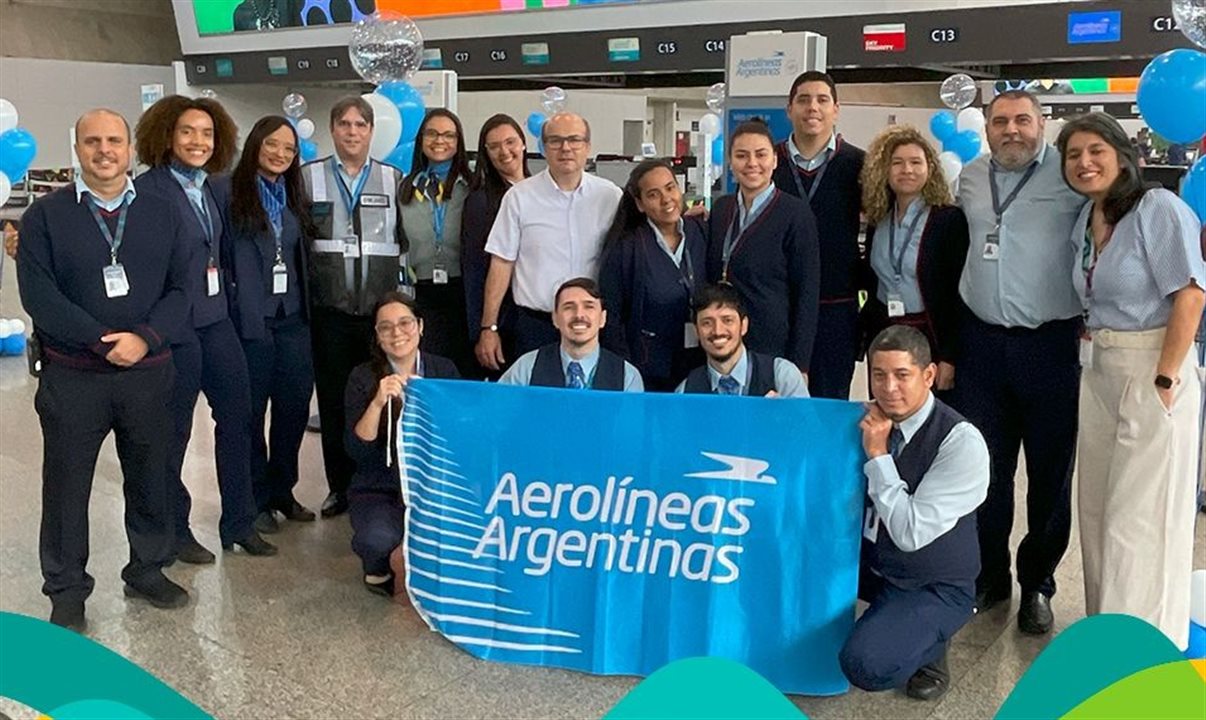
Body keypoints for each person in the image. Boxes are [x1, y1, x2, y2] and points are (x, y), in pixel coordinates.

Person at [17, 109, 193, 630]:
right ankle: (67, 589)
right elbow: (39, 296)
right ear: (78, 149)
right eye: (92, 141)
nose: (104, 150)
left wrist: (145, 338)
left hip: (149, 371)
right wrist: (99, 341)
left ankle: (147, 567)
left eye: (114, 140)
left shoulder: (165, 211)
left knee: (151, 476)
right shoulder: (44, 216)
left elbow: (183, 288)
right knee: (67, 485)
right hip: (74, 376)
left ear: (131, 149)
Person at [1057, 112, 1206, 651]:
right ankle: (1106, 633)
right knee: (1097, 512)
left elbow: (1190, 293)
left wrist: (1165, 378)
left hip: (1152, 368)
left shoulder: (1157, 209)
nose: (1084, 163)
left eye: (1096, 150)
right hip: (1098, 371)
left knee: (1138, 519)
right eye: (1073, 155)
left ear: (1123, 156)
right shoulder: (1087, 218)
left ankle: (1144, 644)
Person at [953, 89, 1087, 632]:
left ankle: (1039, 584)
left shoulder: (1070, 176)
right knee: (986, 472)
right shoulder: (969, 177)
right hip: (981, 344)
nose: (1013, 130)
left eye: (1023, 120)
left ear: (1043, 124)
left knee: (1051, 476)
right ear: (986, 127)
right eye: (1001, 121)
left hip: (1050, 344)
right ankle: (991, 576)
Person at [134, 96, 274, 561]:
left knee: (238, 417)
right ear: (166, 136)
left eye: (207, 133)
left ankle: (239, 521)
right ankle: (174, 529)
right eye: (188, 132)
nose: (198, 142)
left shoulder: (211, 188)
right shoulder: (149, 190)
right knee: (173, 434)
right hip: (174, 329)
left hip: (216, 322)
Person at [839, 326, 989, 701]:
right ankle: (893, 620)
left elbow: (910, 534)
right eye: (878, 375)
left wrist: (879, 456)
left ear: (929, 376)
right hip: (873, 565)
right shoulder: (868, 418)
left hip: (932, 583)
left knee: (865, 663)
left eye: (902, 375)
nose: (889, 388)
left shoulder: (961, 442)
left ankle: (932, 648)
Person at [304, 96, 408, 518]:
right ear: (332, 129)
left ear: (371, 131)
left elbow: (404, 244)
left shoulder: (394, 179)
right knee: (332, 401)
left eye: (359, 125)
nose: (352, 132)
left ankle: (380, 481)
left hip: (377, 317)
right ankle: (338, 488)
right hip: (328, 311)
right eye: (344, 124)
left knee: (380, 397)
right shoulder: (307, 179)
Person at [212, 115, 316, 534]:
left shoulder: (292, 195)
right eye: (272, 144)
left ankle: (281, 491)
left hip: (292, 320)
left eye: (289, 149)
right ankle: (254, 499)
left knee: (292, 412)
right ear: (255, 143)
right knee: (250, 415)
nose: (280, 154)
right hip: (249, 322)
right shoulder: (225, 191)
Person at [477, 112, 622, 368]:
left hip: (590, 326)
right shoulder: (519, 197)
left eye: (574, 140)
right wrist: (489, 326)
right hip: (535, 326)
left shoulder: (610, 196)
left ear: (587, 146)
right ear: (543, 148)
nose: (565, 148)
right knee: (534, 403)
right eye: (555, 141)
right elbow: (501, 264)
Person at [346, 292, 460, 597]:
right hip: (380, 486)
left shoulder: (444, 371)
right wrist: (378, 402)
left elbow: (460, 435)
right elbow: (357, 450)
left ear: (420, 326)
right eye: (386, 327)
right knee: (376, 538)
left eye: (405, 323)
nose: (397, 333)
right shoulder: (362, 377)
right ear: (377, 336)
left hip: (435, 485)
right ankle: (377, 566)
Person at [773, 71, 866, 399]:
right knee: (776, 408)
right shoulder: (768, 162)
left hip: (835, 307)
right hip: (778, 306)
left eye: (822, 100)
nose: (813, 107)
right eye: (803, 99)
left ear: (836, 110)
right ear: (789, 109)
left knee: (830, 406)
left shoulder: (859, 165)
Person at [860, 125, 969, 395]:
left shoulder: (948, 219)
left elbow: (960, 294)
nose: (906, 170)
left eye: (915, 162)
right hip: (885, 333)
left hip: (930, 334)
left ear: (930, 168)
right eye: (897, 163)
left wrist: (949, 357)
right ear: (885, 170)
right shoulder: (879, 218)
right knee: (888, 408)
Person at [706, 120, 820, 376]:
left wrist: (799, 363)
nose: (752, 163)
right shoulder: (722, 210)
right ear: (730, 162)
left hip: (771, 343)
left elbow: (807, 293)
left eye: (761, 154)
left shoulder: (795, 214)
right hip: (722, 341)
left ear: (775, 160)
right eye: (741, 156)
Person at [599, 159, 708, 391]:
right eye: (653, 195)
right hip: (648, 368)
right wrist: (625, 371)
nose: (666, 199)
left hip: (701, 363)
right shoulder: (625, 248)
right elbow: (613, 317)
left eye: (670, 188)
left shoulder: (701, 232)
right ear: (639, 204)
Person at [398, 108, 474, 376]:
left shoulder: (473, 187)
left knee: (464, 376)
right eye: (432, 133)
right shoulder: (405, 188)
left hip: (464, 294)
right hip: (423, 295)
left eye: (448, 135)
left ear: (458, 142)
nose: (439, 140)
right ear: (421, 139)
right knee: (430, 373)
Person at [462, 114, 531, 380]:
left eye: (510, 142)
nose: (505, 151)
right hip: (505, 324)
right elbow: (476, 272)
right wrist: (485, 329)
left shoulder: (543, 190)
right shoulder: (480, 202)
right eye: (494, 146)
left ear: (523, 144)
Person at [499, 277, 643, 391]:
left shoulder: (628, 376)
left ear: (602, 318)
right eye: (569, 307)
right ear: (555, 318)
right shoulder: (526, 368)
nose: (579, 315)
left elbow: (631, 427)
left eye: (589, 306)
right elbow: (496, 417)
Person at [675, 283, 808, 397]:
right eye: (707, 323)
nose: (718, 331)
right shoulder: (685, 391)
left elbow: (808, 426)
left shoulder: (782, 376)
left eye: (727, 320)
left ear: (743, 326)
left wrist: (785, 417)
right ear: (697, 331)